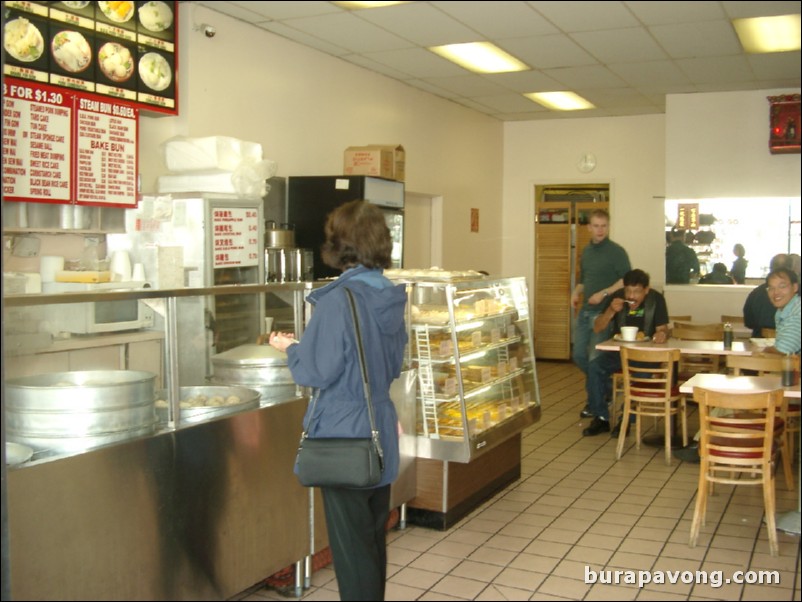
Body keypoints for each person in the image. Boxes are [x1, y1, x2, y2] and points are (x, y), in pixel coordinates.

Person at [268, 200, 408, 601]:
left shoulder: (337, 301)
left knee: (351, 548)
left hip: (345, 431)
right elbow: (393, 363)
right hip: (381, 425)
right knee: (371, 538)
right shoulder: (390, 295)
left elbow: (316, 371)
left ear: (338, 243)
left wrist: (290, 348)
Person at [581, 269, 670, 436]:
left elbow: (662, 329)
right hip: (619, 353)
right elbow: (598, 327)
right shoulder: (618, 298)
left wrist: (662, 334)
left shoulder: (656, 299)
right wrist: (611, 311)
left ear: (646, 290)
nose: (631, 296)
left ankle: (627, 418)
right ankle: (601, 417)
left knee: (641, 376)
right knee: (594, 367)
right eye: (628, 290)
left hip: (646, 355)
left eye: (636, 291)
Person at [571, 209, 631, 418]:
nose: (600, 230)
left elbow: (626, 280)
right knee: (579, 355)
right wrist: (576, 292)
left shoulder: (617, 252)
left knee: (595, 359)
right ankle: (604, 389)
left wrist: (604, 293)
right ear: (589, 228)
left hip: (605, 313)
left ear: (608, 226)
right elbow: (584, 279)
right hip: (586, 310)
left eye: (604, 226)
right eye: (596, 226)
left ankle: (595, 400)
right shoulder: (587, 252)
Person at [743, 253, 788, 337]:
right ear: (791, 270)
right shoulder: (796, 293)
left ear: (770, 268)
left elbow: (748, 322)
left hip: (760, 344)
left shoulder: (756, 293)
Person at [760, 267, 800, 355]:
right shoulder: (784, 310)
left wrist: (763, 352)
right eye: (771, 288)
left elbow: (782, 352)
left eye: (782, 286)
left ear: (795, 287)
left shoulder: (797, 313)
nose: (776, 292)